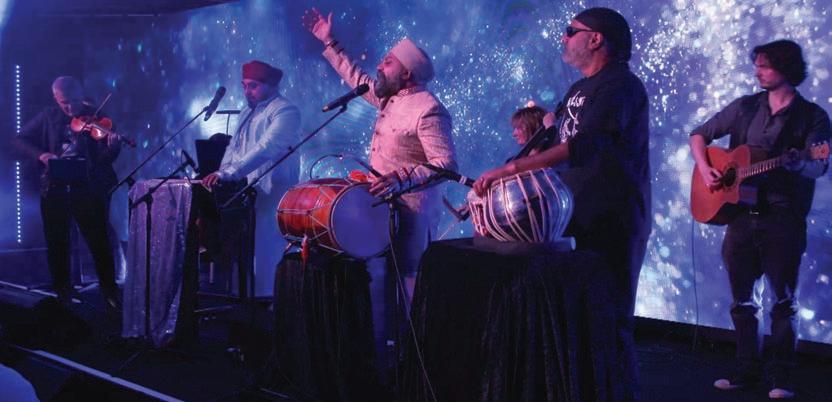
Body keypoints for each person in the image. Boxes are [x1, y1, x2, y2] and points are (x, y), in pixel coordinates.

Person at [473, 8, 651, 400]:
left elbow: (583, 145)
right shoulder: (579, 90)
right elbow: (552, 146)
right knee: (577, 321)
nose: (563, 38)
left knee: (610, 320)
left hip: (612, 219)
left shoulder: (621, 85)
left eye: (571, 31)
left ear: (596, 39)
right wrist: (499, 190)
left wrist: (510, 169)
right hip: (571, 217)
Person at [689, 40, 830, 399]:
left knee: (782, 303)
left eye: (765, 66)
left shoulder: (811, 117)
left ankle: (781, 377)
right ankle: (745, 371)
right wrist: (705, 169)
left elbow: (819, 165)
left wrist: (798, 163)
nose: (758, 72)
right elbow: (698, 135)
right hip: (740, 218)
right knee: (742, 301)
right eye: (758, 65)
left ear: (786, 68)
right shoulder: (745, 107)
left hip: (782, 218)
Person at [302, 9, 457, 296]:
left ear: (407, 73)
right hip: (382, 210)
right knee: (381, 285)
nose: (379, 67)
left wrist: (402, 178)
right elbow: (357, 78)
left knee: (410, 287)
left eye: (388, 62)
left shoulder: (428, 108)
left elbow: (446, 163)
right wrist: (329, 42)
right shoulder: (390, 98)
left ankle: (414, 328)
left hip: (413, 214)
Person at [12, 76, 123, 311]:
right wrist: (42, 155)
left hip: (87, 188)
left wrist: (112, 151)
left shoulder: (97, 117)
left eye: (74, 101)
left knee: (98, 241)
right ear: (56, 99)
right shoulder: (48, 117)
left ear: (81, 94)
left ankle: (109, 290)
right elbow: (20, 140)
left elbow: (103, 160)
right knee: (57, 242)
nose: (70, 107)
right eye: (64, 103)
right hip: (55, 188)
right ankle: (62, 291)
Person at [202, 60, 301, 297]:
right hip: (247, 194)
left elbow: (266, 147)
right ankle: (243, 303)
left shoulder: (285, 111)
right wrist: (221, 175)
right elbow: (235, 150)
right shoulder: (247, 112)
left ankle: (270, 304)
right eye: (244, 86)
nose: (247, 91)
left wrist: (229, 173)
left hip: (274, 194)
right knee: (244, 254)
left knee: (267, 252)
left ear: (271, 85)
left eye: (253, 86)